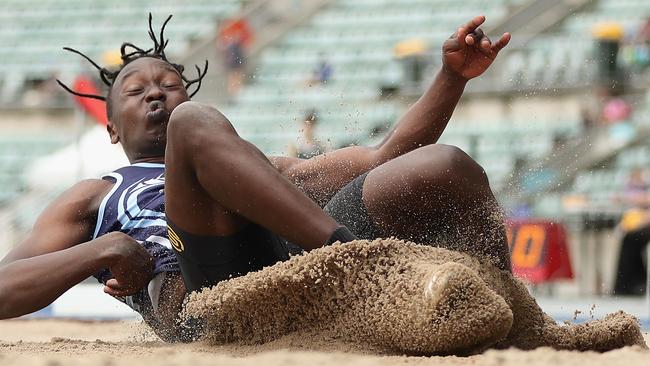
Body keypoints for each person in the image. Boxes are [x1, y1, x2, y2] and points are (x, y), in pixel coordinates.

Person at [0, 14, 511, 341]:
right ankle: (361, 259)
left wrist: (450, 79)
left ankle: (510, 309)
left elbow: (387, 156)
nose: (157, 94)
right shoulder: (94, 194)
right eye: (136, 91)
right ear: (111, 128)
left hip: (299, 268)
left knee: (446, 167)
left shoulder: (256, 169)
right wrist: (101, 250)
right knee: (193, 126)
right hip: (208, 302)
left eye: (170, 84)